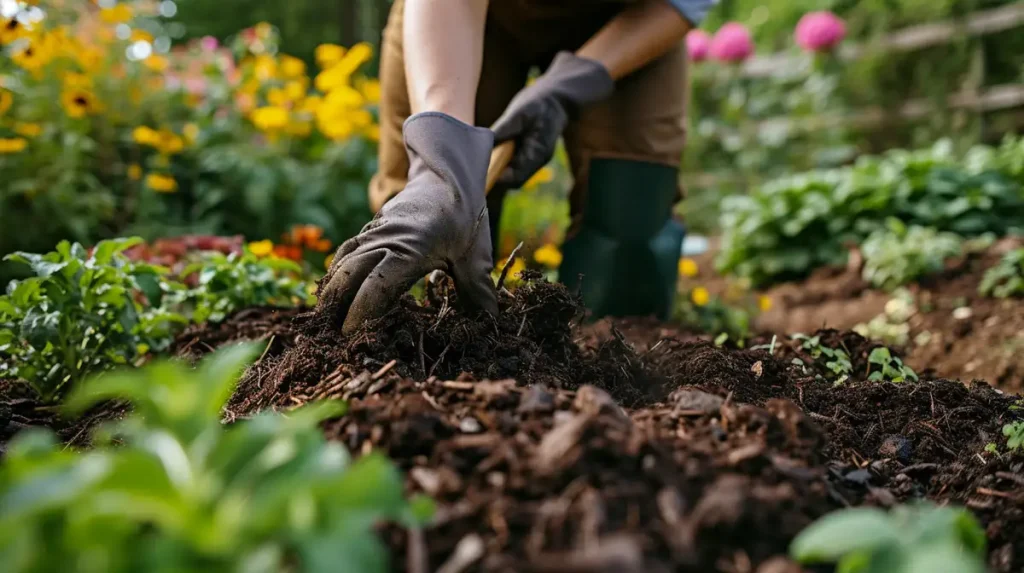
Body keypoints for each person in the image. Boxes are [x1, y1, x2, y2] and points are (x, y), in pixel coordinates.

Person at [320, 0, 715, 335]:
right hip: (470, 18)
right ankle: (406, 360)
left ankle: (619, 388)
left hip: (632, 16)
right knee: (423, 211)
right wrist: (441, 164)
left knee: (629, 228)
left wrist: (570, 83)